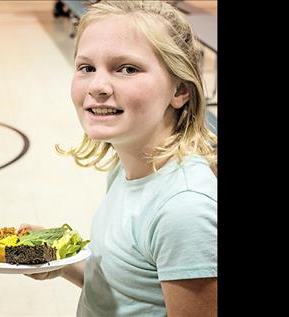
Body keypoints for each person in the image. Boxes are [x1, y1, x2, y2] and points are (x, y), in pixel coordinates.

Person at [20, 1, 217, 316]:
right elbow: (127, 290)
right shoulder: (127, 165)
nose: (97, 86)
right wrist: (59, 262)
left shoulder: (184, 209)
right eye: (87, 67)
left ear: (179, 89)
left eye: (127, 68)